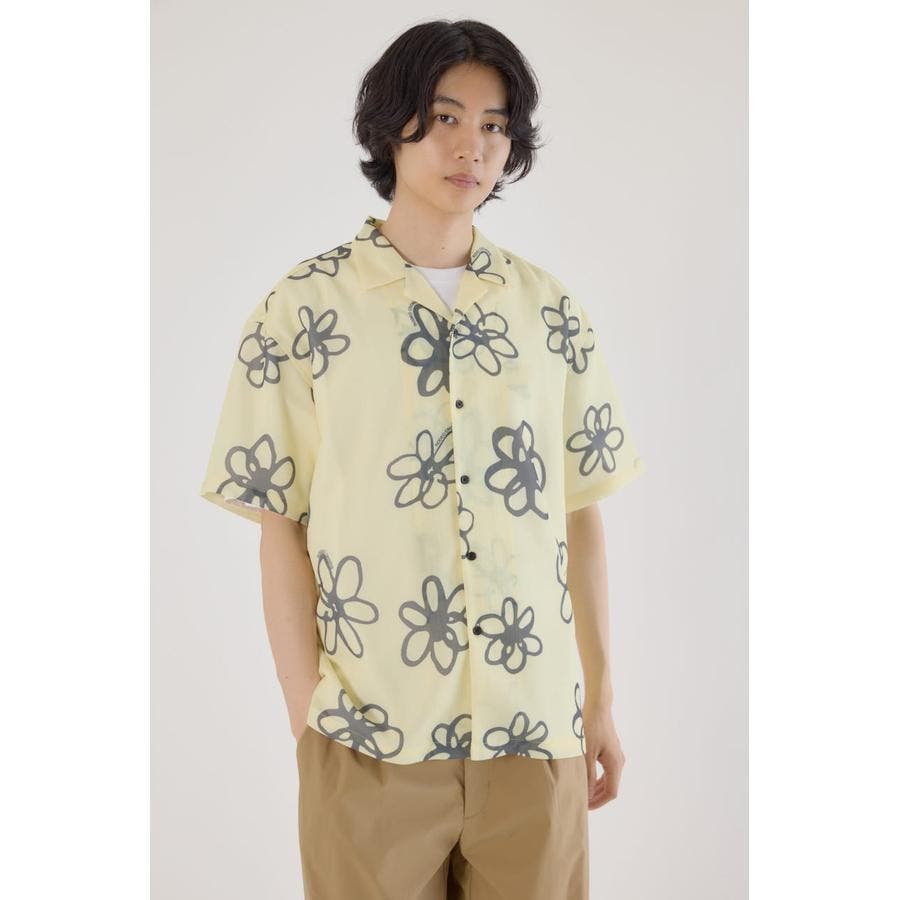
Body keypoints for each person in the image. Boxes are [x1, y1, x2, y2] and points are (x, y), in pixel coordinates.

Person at [199, 18, 646, 900]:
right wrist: (308, 714)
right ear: (391, 125)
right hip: (367, 736)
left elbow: (578, 512)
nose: (471, 146)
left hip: (534, 733)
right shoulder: (303, 311)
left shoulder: (550, 313)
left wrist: (597, 699)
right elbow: (279, 525)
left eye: (494, 124)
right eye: (445, 117)